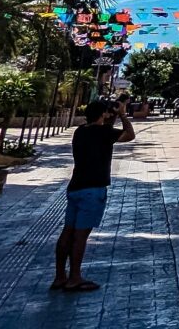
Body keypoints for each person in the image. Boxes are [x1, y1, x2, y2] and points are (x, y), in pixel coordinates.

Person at [51, 99, 136, 292]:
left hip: (75, 187)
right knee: (81, 236)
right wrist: (122, 114)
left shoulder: (80, 131)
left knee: (67, 232)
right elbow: (129, 135)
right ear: (104, 114)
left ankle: (59, 276)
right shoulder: (104, 133)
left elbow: (104, 132)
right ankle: (75, 278)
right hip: (93, 189)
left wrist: (110, 116)